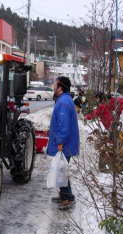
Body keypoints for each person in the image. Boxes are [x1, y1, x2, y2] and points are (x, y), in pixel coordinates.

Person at [47, 76, 80, 210]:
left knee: (61, 169)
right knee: (61, 168)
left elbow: (64, 125)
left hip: (64, 144)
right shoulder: (64, 100)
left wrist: (60, 142)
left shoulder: (63, 102)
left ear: (60, 87)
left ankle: (67, 198)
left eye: (55, 84)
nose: (53, 87)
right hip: (65, 143)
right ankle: (64, 195)